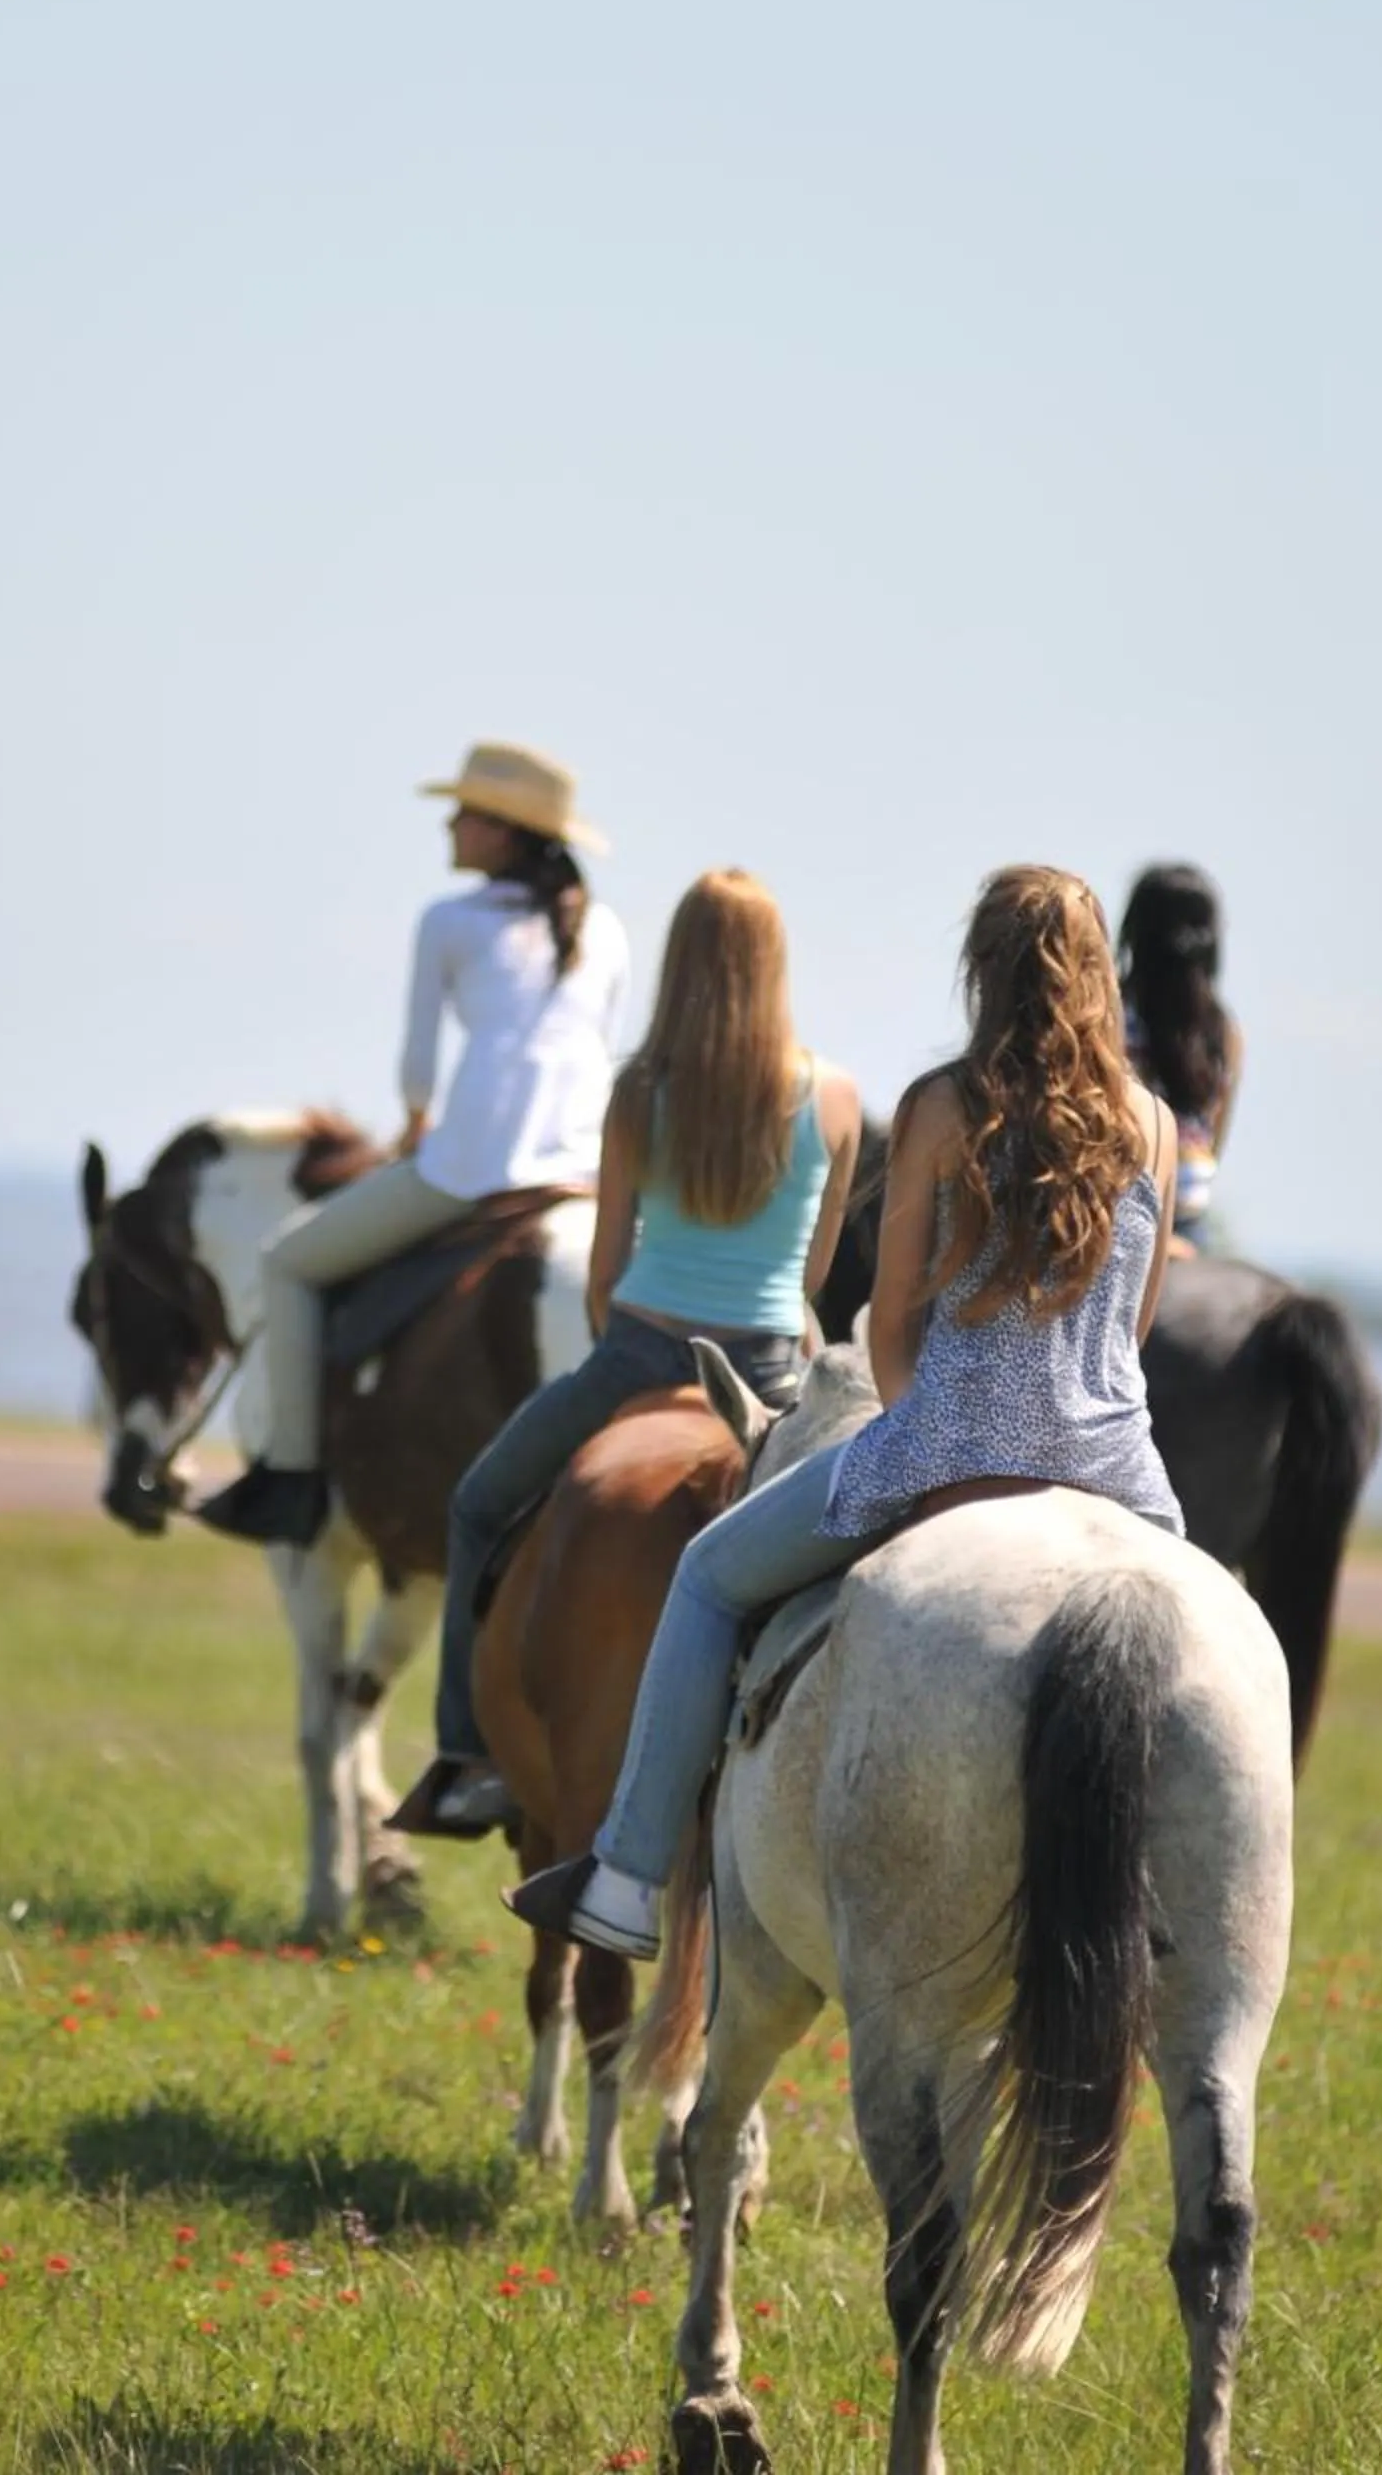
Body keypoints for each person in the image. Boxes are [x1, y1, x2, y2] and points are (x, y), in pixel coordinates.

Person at [508, 863, 1181, 1962]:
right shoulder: (1153, 1126)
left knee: (708, 1575)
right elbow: (1133, 1332)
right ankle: (1156, 1889)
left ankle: (626, 1879)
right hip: (1123, 1475)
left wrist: (930, 1425)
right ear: (1102, 976)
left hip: (948, 1442)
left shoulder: (941, 1106)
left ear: (985, 972)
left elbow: (890, 1319)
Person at [391, 870, 863, 1838]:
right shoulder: (840, 1097)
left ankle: (467, 1760)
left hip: (638, 1354)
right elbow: (814, 1271)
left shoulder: (639, 1092)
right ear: (777, 966)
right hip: (772, 1374)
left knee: (480, 1505)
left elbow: (605, 1269)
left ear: (680, 961)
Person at [193, 742, 628, 1545]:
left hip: (477, 1168)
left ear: (502, 832)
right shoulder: (604, 927)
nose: (449, 825)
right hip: (588, 1169)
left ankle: (286, 1480)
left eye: (463, 812)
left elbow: (419, 1066)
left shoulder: (448, 920)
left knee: (286, 1262)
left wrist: (415, 1125)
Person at [1116, 863, 1243, 1255]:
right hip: (1190, 1218)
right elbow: (1214, 1145)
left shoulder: (1112, 1015)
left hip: (1118, 1214)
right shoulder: (1224, 1035)